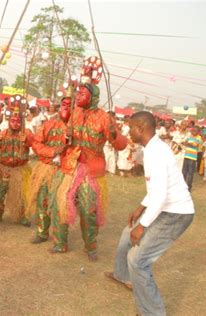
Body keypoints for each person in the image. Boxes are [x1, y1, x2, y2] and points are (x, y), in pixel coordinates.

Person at [105, 111, 194, 316]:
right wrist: (140, 207)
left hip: (176, 214)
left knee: (138, 261)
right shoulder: (152, 148)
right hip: (166, 208)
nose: (128, 130)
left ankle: (152, 312)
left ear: (141, 128)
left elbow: (161, 195)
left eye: (131, 127)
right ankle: (122, 276)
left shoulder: (156, 152)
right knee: (128, 233)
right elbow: (157, 189)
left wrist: (143, 225)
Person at [49, 79, 127, 260]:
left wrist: (114, 134)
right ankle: (60, 243)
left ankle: (90, 246)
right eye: (78, 93)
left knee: (88, 210)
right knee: (60, 205)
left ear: (92, 97)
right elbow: (66, 138)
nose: (78, 96)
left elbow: (121, 145)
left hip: (91, 170)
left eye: (82, 94)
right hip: (70, 166)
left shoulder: (104, 118)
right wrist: (67, 137)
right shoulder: (75, 113)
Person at [29, 97, 69, 244]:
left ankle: (60, 239)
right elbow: (36, 143)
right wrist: (52, 151)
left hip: (66, 171)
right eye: (63, 105)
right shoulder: (49, 125)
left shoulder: (77, 128)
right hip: (46, 169)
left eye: (69, 106)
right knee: (43, 201)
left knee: (61, 204)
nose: (65, 108)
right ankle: (42, 232)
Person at [0, 106, 33, 226]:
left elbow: (36, 144)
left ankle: (21, 216)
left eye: (18, 121)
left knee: (22, 195)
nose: (16, 124)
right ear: (8, 121)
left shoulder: (27, 133)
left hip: (21, 169)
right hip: (5, 169)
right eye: (13, 121)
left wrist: (27, 140)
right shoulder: (1, 135)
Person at [181, 126, 202, 191]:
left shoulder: (199, 138)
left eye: (195, 131)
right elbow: (183, 142)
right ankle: (182, 185)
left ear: (198, 132)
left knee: (190, 173)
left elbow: (194, 145)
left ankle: (189, 187)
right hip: (186, 156)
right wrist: (187, 143)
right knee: (184, 172)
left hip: (192, 158)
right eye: (192, 130)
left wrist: (187, 143)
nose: (193, 132)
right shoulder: (190, 136)